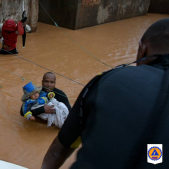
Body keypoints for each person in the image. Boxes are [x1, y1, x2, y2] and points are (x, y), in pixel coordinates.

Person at [41, 18, 169, 169]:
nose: (49, 84)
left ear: (142, 49)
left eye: (51, 82)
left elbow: (58, 151)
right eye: (46, 82)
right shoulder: (37, 94)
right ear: (42, 82)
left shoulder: (107, 80)